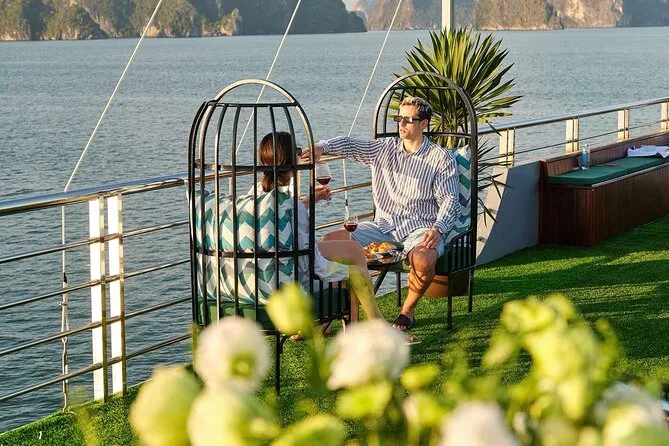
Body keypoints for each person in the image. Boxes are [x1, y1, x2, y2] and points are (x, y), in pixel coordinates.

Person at [301, 97, 460, 331]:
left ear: (424, 124)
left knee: (424, 259)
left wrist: (438, 229)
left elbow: (450, 199)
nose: (401, 124)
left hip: (421, 227)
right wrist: (322, 148)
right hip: (383, 226)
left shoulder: (441, 158)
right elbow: (349, 145)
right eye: (399, 118)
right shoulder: (383, 148)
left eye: (408, 119)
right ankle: (336, 313)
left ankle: (407, 312)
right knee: (331, 241)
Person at [255, 131, 383, 322]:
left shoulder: (255, 196)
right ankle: (379, 328)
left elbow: (284, 219)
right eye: (298, 151)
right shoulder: (294, 207)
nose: (301, 155)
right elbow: (315, 264)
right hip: (288, 284)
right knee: (356, 274)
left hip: (260, 279)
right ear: (293, 161)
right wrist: (345, 272)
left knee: (352, 250)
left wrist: (307, 201)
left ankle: (349, 327)